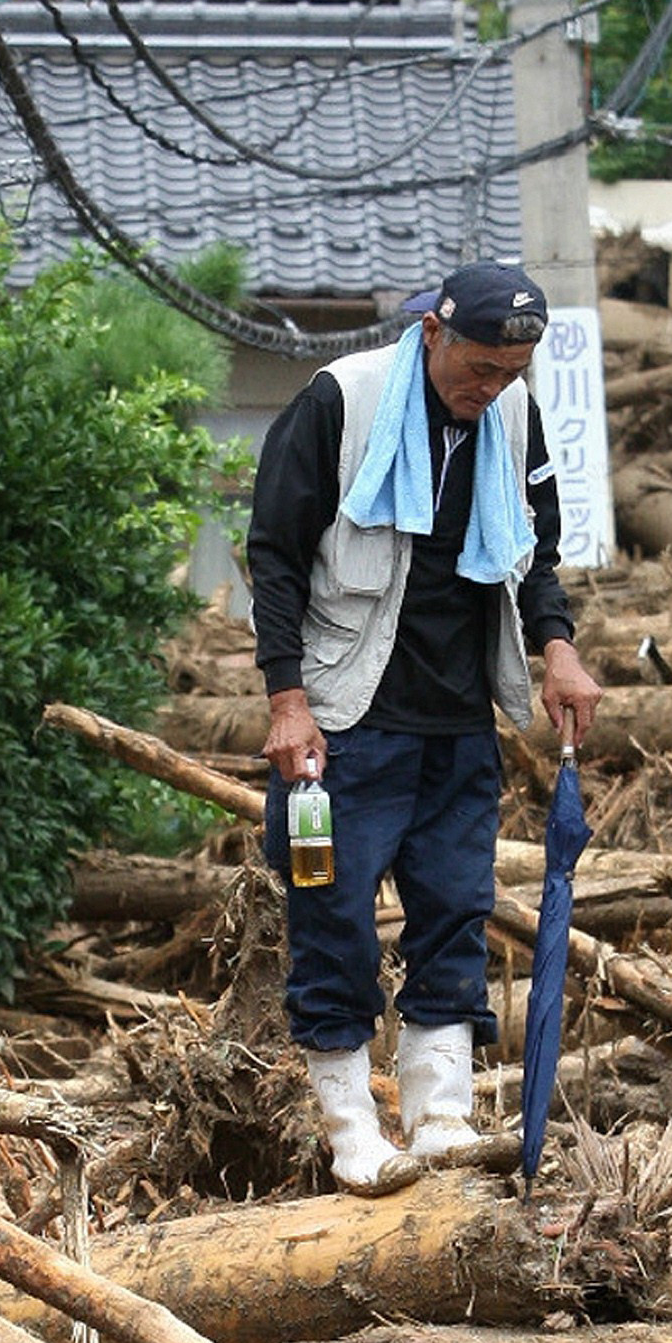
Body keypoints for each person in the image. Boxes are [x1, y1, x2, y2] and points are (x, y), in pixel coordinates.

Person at [247, 261, 603, 1194]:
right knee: (333, 917)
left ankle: (440, 1117)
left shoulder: (511, 417)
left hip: (457, 717)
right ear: (434, 333)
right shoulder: (343, 402)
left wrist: (557, 647)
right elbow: (274, 555)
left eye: (510, 372)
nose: (491, 388)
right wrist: (286, 700)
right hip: (346, 714)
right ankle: (350, 1131)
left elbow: (535, 555)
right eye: (480, 367)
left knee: (455, 911)